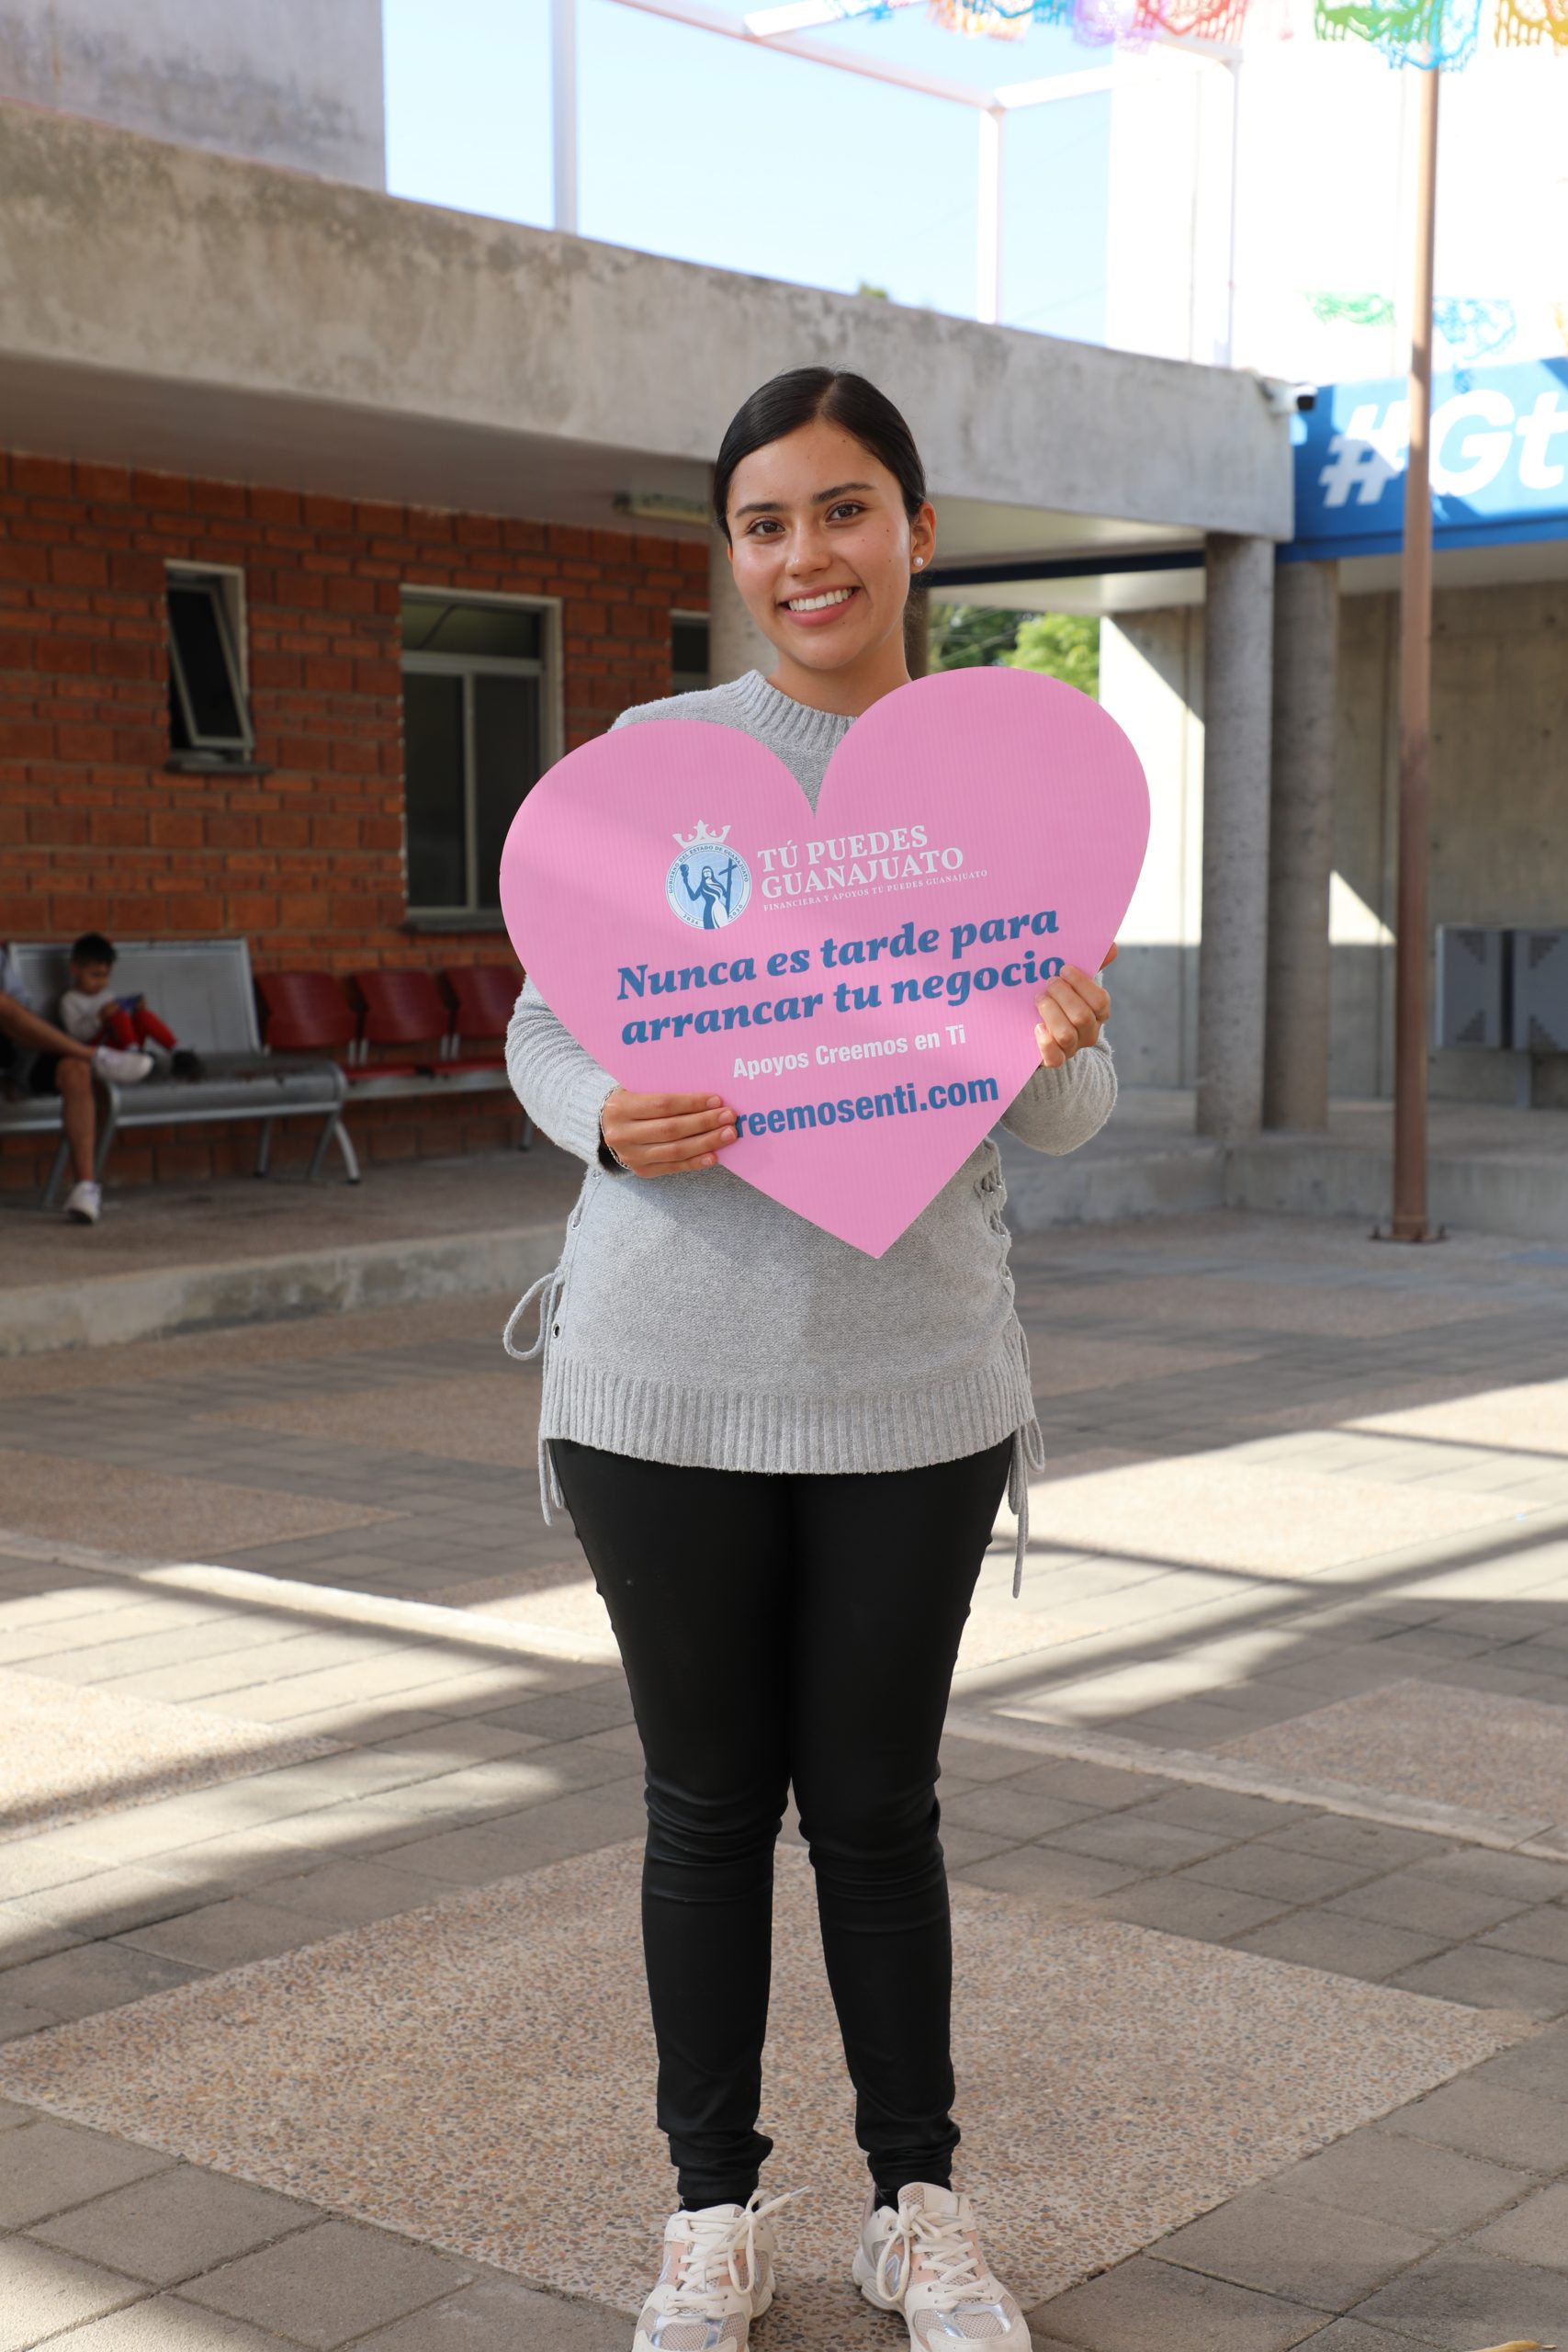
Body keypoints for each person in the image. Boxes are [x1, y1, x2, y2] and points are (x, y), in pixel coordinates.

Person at [504, 368, 1120, 2352]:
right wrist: (601, 1116)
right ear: (733, 551)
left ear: (915, 531)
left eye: (843, 509)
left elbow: (1067, 1114)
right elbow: (546, 1023)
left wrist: (1055, 1036)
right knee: (704, 1806)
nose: (804, 556)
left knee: (873, 1806)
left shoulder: (1004, 779)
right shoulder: (655, 761)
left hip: (912, 1385)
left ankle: (914, 2209)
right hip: (662, 1379)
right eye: (764, 522)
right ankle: (708, 2215)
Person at [0, 944, 154, 1224]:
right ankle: (94, 1055)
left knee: (75, 1069)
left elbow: (21, 1007)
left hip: (12, 1050)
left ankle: (85, 1188)